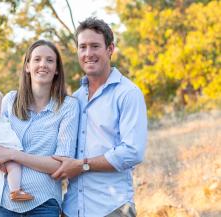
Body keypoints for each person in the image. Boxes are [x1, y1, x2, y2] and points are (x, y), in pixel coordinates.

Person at [51, 17, 148, 217]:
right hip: (72, 209)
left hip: (112, 209)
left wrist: (82, 165)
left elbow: (132, 152)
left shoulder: (127, 93)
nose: (88, 54)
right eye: (82, 47)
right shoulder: (74, 99)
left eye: (95, 46)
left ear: (110, 49)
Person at [0, 40, 79, 217]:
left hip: (43, 203)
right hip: (3, 202)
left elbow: (60, 165)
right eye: (37, 59)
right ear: (27, 66)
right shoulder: (10, 101)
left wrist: (13, 155)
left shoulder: (68, 107)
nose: (43, 64)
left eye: (50, 60)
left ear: (57, 69)